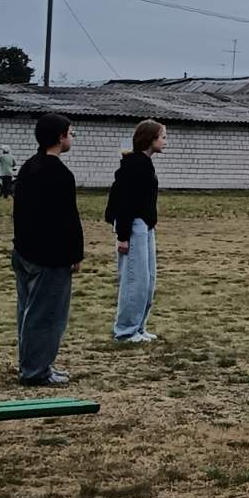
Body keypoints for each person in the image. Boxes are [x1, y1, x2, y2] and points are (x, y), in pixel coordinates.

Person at [11, 113, 83, 387]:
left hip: (25, 250)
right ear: (60, 137)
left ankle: (32, 364)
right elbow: (67, 219)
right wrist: (75, 254)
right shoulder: (59, 174)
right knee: (47, 315)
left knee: (27, 312)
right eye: (70, 133)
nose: (72, 137)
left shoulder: (29, 167)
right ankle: (36, 370)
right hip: (50, 257)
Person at [108, 120, 167, 344]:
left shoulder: (144, 164)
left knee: (148, 279)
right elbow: (123, 201)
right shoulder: (134, 165)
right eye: (162, 137)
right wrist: (123, 236)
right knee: (135, 279)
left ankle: (139, 326)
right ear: (150, 139)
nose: (165, 142)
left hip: (146, 225)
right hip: (134, 226)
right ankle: (125, 330)